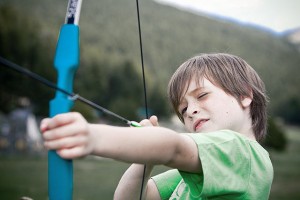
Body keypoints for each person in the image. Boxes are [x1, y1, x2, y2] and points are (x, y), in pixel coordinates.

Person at [41, 53, 273, 199]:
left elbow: (173, 147)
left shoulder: (242, 152)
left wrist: (93, 137)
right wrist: (145, 159)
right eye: (182, 109)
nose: (190, 111)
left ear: (244, 95)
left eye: (201, 95)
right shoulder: (190, 175)